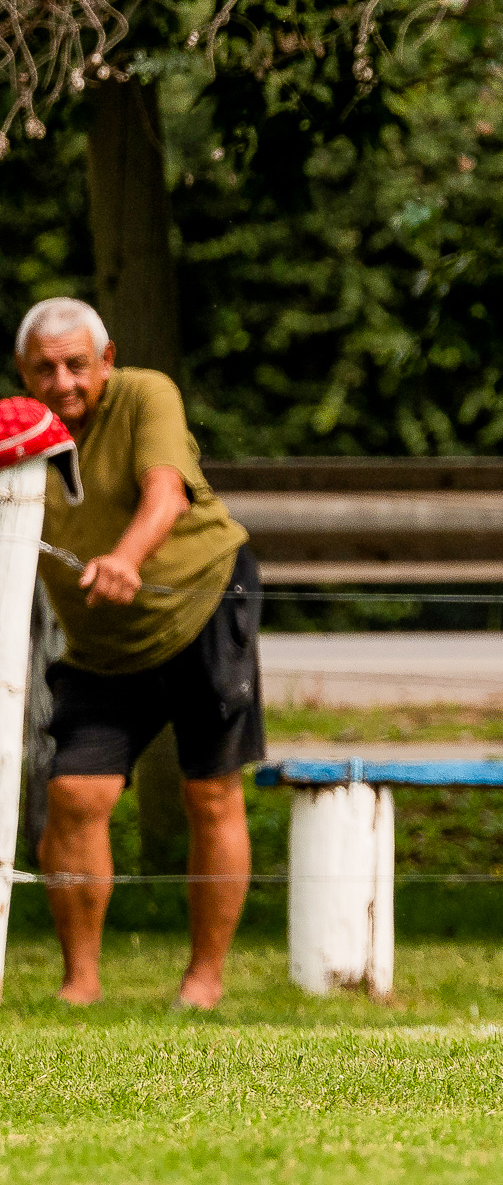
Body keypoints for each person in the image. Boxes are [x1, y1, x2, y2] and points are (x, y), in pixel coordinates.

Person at [17, 298, 261, 1009]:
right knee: (73, 793)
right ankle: (80, 983)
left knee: (209, 789)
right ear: (23, 372)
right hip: (100, 644)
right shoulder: (20, 431)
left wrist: (125, 558)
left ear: (108, 360)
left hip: (203, 602)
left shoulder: (148, 394)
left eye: (76, 364)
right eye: (44, 368)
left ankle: (203, 982)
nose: (62, 381)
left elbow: (166, 493)